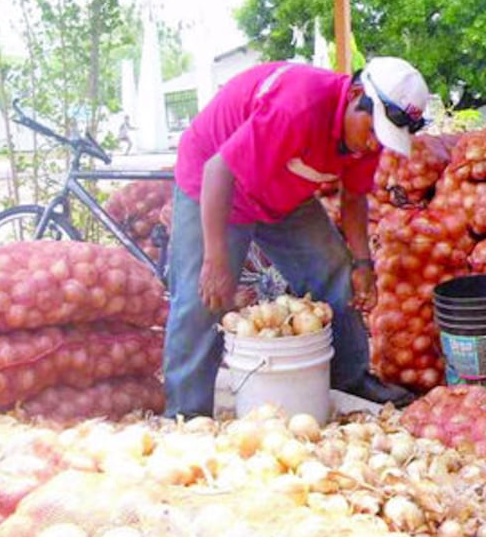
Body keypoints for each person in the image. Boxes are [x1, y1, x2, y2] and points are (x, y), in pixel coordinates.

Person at [163, 57, 429, 418]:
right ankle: (185, 415)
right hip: (215, 184)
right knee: (204, 298)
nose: (372, 144)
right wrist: (215, 258)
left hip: (281, 191)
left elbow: (354, 197)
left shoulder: (369, 137)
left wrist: (363, 262)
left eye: (380, 137)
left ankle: (349, 377)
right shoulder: (298, 106)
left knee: (334, 268)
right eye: (371, 130)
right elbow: (218, 170)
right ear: (353, 95)